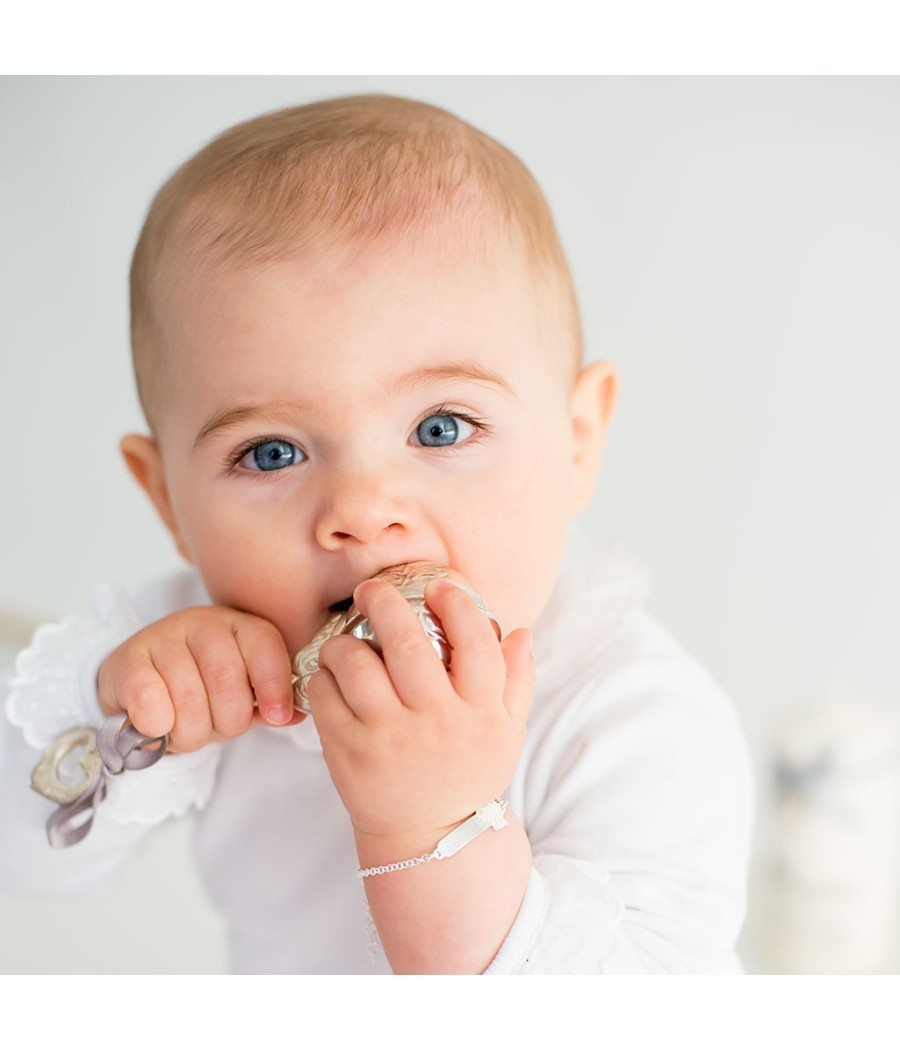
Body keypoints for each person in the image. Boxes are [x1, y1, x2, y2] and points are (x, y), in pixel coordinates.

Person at [1, 94, 752, 974]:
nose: (361, 508)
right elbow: (26, 861)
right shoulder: (203, 656)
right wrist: (111, 713)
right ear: (168, 499)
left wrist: (434, 828)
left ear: (577, 440)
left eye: (440, 428)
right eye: (270, 452)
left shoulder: (624, 716)